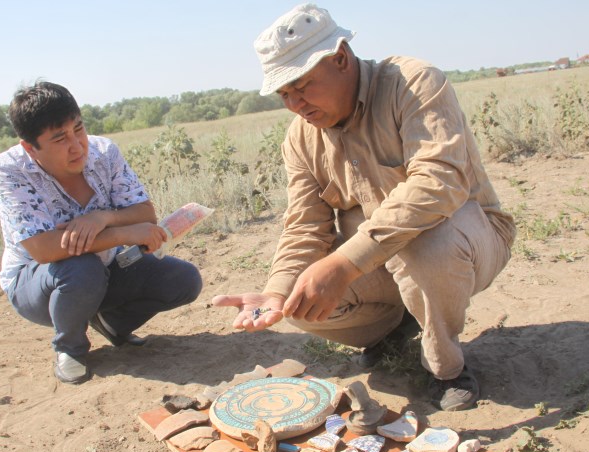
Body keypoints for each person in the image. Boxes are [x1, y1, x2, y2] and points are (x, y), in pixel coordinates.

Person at [212, 4, 515, 411]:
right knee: (297, 300)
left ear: (340, 58)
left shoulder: (413, 83)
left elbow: (437, 184)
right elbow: (305, 226)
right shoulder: (301, 138)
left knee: (426, 246)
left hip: (469, 238)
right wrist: (276, 291)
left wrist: (344, 263)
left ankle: (446, 368)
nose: (296, 104)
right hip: (383, 259)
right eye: (285, 94)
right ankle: (396, 325)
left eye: (302, 85)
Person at [0, 81, 202, 385]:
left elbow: (144, 214)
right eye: (60, 138)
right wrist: (120, 234)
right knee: (80, 267)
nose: (76, 145)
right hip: (37, 282)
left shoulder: (104, 152)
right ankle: (70, 349)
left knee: (184, 280)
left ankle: (111, 323)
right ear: (30, 147)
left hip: (105, 269)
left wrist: (102, 217)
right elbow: (44, 249)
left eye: (79, 128)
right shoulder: (9, 170)